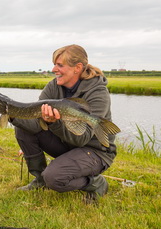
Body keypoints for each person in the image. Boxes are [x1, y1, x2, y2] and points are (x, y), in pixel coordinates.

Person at [10, 44, 116, 203]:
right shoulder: (54, 85)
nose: (54, 69)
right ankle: (40, 180)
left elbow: (82, 139)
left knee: (54, 178)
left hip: (94, 151)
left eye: (60, 65)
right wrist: (11, 114)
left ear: (77, 67)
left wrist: (54, 123)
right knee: (23, 128)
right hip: (66, 142)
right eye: (54, 64)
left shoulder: (98, 92)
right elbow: (36, 122)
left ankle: (95, 183)